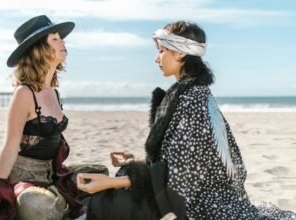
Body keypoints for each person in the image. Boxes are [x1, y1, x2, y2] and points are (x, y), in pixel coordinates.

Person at [76, 21, 296, 220]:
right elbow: (182, 157)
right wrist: (136, 162)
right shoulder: (192, 93)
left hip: (199, 205)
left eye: (161, 51)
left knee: (104, 203)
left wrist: (112, 182)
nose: (156, 58)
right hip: (195, 191)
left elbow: (181, 173)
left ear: (180, 54)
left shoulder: (192, 99)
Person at [0, 15, 107, 220]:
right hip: (23, 179)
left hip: (52, 174)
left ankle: (58, 201)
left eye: (60, 38)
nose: (62, 42)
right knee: (36, 204)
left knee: (100, 173)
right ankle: (53, 204)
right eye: (55, 39)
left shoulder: (54, 92)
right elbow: (10, 146)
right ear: (39, 50)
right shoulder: (24, 92)